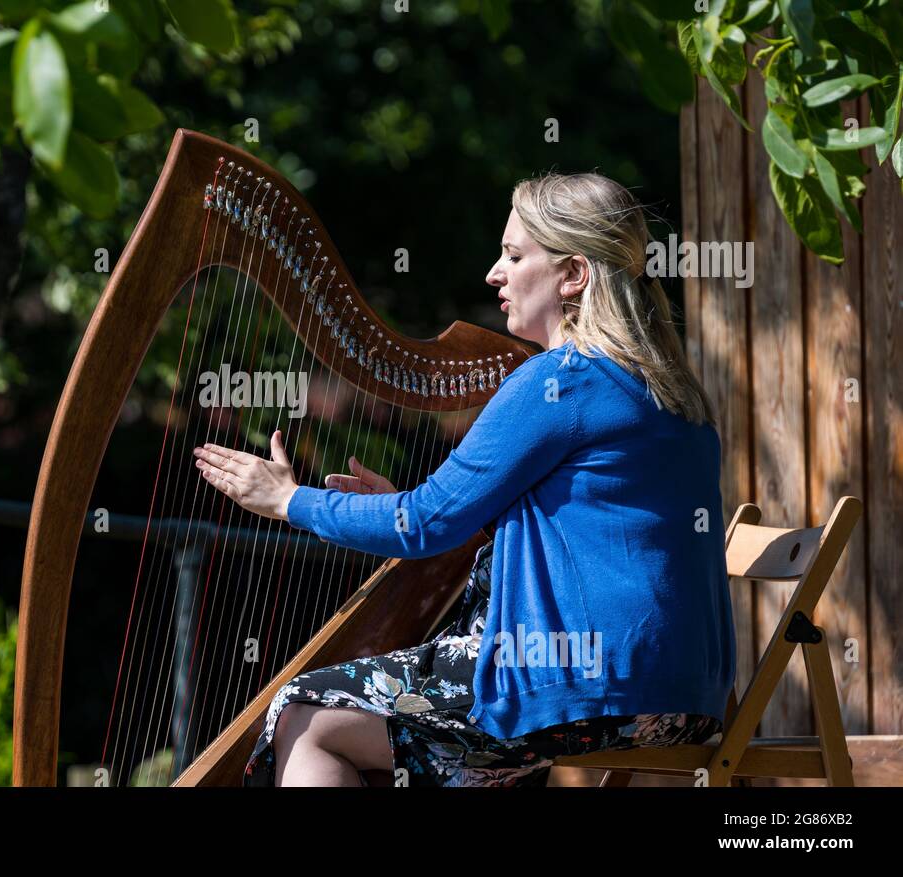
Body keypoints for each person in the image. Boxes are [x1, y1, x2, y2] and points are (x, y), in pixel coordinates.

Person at [192, 172, 737, 787]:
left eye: (514, 254)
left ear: (574, 275)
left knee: (304, 716)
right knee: (399, 739)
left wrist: (289, 499)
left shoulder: (559, 381)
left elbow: (422, 522)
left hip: (584, 682)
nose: (493, 274)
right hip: (682, 695)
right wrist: (399, 507)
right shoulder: (670, 392)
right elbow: (581, 535)